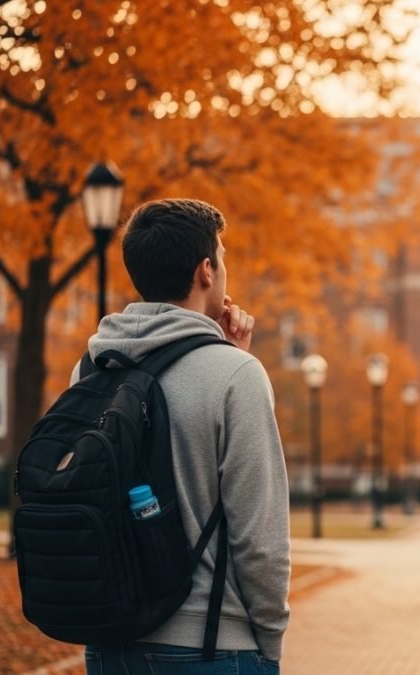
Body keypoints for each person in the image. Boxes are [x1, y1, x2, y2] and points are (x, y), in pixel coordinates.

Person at [78, 199, 289, 673]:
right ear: (206, 271)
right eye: (224, 256)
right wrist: (270, 647)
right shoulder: (237, 376)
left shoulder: (92, 365)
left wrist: (225, 353)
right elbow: (261, 543)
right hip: (211, 645)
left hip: (109, 642)